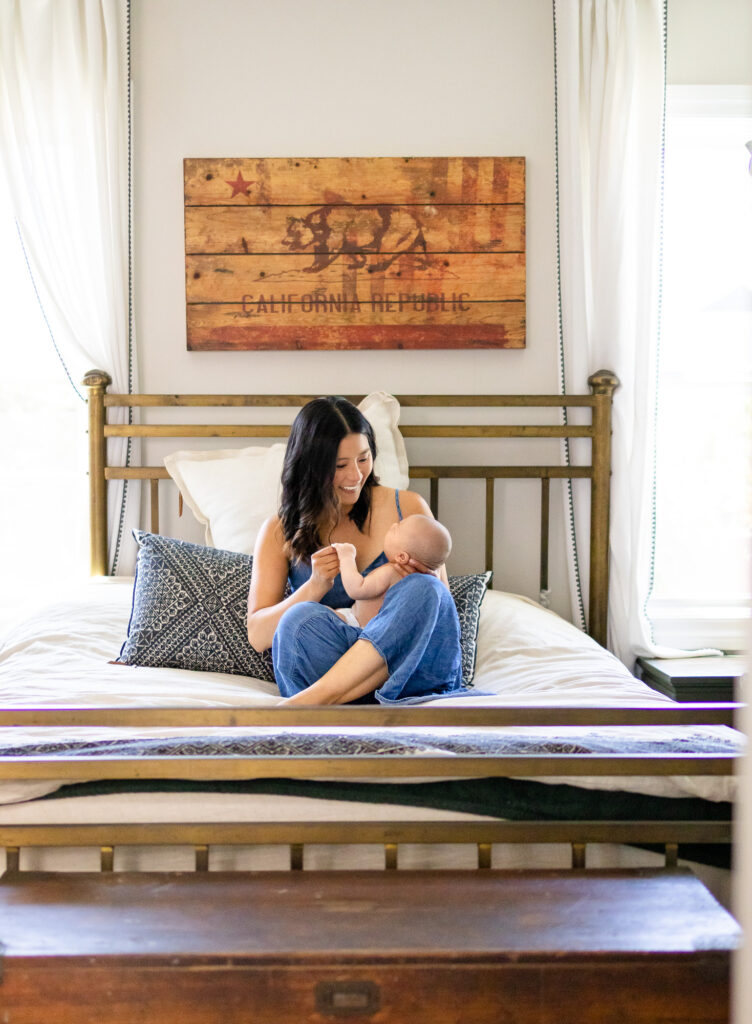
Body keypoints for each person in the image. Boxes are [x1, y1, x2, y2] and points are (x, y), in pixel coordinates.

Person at [246, 396, 463, 706]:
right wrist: (315, 587)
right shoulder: (280, 530)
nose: (356, 476)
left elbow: (439, 609)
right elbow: (258, 636)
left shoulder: (408, 508)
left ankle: (308, 705)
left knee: (425, 588)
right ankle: (338, 698)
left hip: (408, 673)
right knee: (297, 620)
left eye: (363, 459)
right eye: (340, 466)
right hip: (334, 660)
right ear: (310, 466)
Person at [331, 514, 452, 628]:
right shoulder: (420, 583)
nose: (393, 525)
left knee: (320, 613)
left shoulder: (391, 572)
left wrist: (347, 557)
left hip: (358, 625)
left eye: (396, 528)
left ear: (401, 557)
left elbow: (356, 589)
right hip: (366, 624)